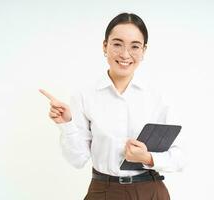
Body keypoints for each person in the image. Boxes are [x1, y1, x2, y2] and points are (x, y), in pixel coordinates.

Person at [40, 12, 185, 200]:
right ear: (105, 46)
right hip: (103, 191)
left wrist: (147, 158)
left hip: (150, 190)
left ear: (144, 51)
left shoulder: (158, 97)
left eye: (135, 46)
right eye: (117, 44)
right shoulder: (85, 96)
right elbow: (78, 160)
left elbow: (181, 157)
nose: (125, 54)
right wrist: (66, 124)